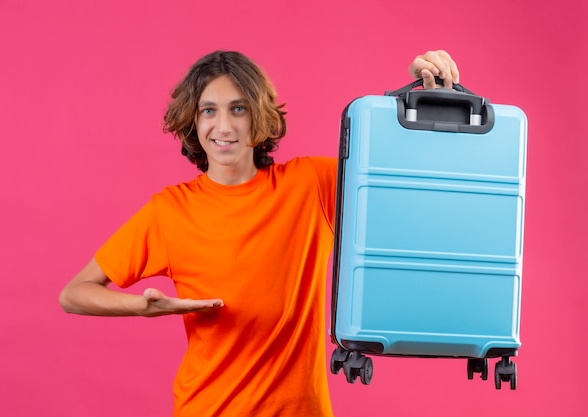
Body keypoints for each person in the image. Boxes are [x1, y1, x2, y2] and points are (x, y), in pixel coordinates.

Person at [59, 49, 460, 416]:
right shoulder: (170, 210)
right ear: (192, 121)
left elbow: (403, 183)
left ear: (259, 114)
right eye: (208, 111)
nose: (224, 125)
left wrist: (425, 103)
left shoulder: (312, 183)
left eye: (238, 108)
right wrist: (142, 308)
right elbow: (74, 294)